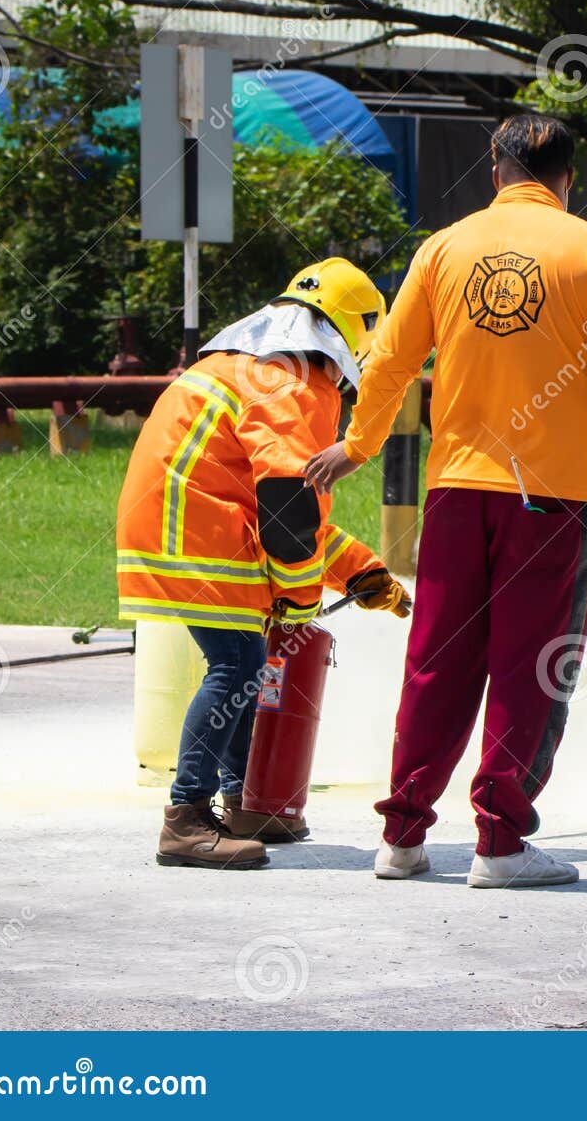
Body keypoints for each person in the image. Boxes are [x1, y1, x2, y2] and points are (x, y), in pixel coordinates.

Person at [305, 113, 587, 888]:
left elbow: (387, 361)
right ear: (568, 180)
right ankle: (500, 842)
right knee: (531, 668)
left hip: (454, 492)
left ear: (495, 170)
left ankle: (404, 835)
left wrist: (359, 443)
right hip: (552, 502)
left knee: (434, 663)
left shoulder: (443, 248)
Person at [117, 258, 412, 870]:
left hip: (187, 522)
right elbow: (287, 512)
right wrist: (300, 605)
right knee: (238, 663)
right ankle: (187, 818)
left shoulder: (248, 363)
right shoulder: (300, 379)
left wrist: (361, 574)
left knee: (242, 659)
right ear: (354, 333)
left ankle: (246, 803)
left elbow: (287, 515)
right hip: (197, 529)